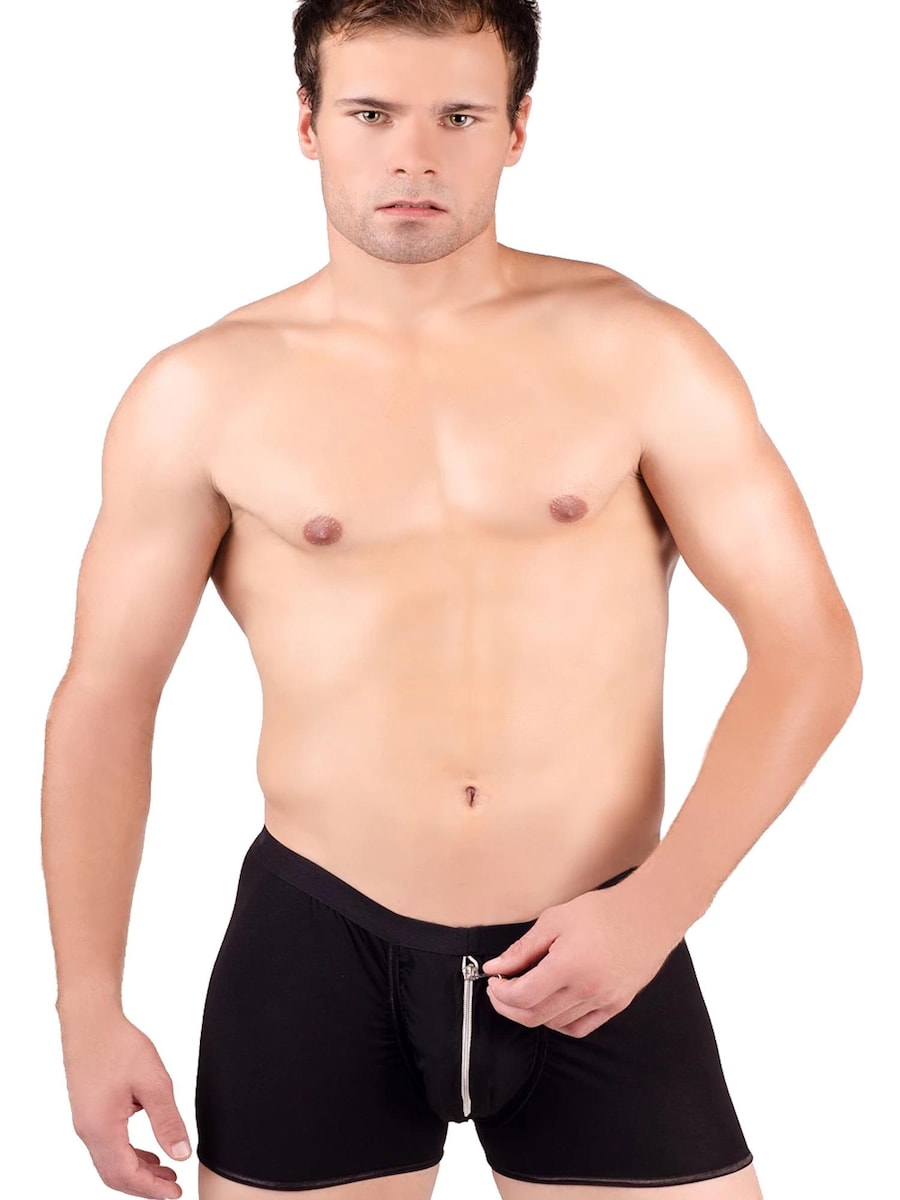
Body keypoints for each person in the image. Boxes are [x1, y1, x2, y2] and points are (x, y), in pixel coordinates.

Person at [40, 1, 863, 1198]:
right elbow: (107, 699)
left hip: (604, 933)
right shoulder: (201, 392)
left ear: (518, 128)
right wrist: (87, 1009)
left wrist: (657, 912)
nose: (414, 155)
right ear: (308, 123)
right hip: (319, 936)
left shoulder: (639, 350)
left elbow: (810, 649)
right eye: (372, 113)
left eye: (459, 116)